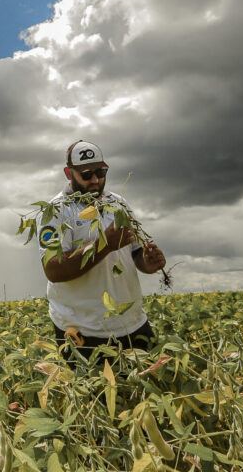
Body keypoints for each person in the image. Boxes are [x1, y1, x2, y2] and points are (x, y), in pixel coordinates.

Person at [38, 140, 166, 360]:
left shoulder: (119, 204)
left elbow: (134, 254)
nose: (96, 180)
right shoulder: (56, 212)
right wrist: (104, 244)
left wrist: (148, 262)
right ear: (69, 173)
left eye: (101, 172)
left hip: (133, 323)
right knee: (96, 393)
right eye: (86, 175)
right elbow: (53, 270)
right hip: (82, 331)